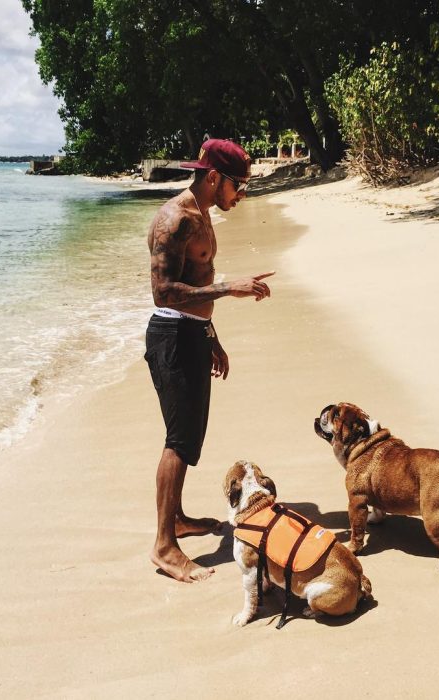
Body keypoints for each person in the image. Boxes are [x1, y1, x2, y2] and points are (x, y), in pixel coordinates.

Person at [144, 139, 275, 582]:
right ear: (214, 177)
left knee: (186, 436)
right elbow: (163, 293)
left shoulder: (203, 217)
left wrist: (211, 335)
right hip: (172, 338)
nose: (241, 195)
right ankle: (164, 546)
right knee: (178, 441)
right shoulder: (174, 220)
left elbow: (194, 281)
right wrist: (228, 289)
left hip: (192, 334)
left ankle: (177, 519)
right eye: (238, 185)